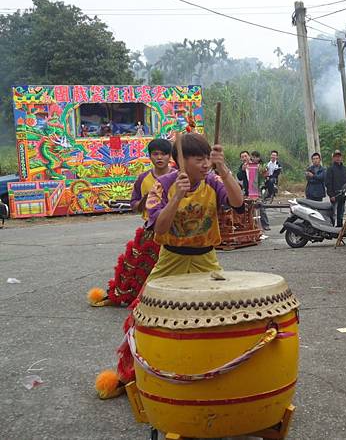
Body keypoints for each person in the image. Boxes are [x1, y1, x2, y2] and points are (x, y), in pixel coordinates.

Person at [95, 133, 244, 399]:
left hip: (206, 259)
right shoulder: (163, 185)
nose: (205, 164)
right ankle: (130, 375)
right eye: (199, 159)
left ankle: (207, 373)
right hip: (170, 258)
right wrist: (177, 197)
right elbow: (160, 227)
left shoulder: (213, 180)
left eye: (207, 158)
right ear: (181, 161)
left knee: (213, 317)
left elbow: (238, 202)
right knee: (143, 316)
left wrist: (224, 168)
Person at [87, 138, 172, 307]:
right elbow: (134, 205)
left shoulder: (178, 176)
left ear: (170, 156)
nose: (160, 158)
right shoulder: (143, 179)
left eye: (164, 154)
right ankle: (133, 296)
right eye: (155, 154)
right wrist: (144, 201)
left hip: (174, 229)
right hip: (150, 229)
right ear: (149, 156)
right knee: (137, 266)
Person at [325, 150, 346, 227]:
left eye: (339, 156)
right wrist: (331, 195)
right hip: (334, 195)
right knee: (332, 213)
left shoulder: (345, 169)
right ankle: (330, 228)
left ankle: (339, 227)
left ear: (341, 157)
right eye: (336, 156)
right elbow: (328, 183)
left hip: (343, 195)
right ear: (333, 158)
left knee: (341, 213)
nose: (338, 158)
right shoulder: (330, 169)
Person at [251, 150, 270, 230]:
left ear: (259, 158)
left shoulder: (263, 165)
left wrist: (261, 171)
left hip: (260, 187)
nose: (254, 158)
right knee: (251, 208)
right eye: (253, 157)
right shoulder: (249, 165)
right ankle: (253, 225)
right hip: (251, 188)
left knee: (261, 206)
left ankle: (265, 224)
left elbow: (266, 174)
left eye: (256, 157)